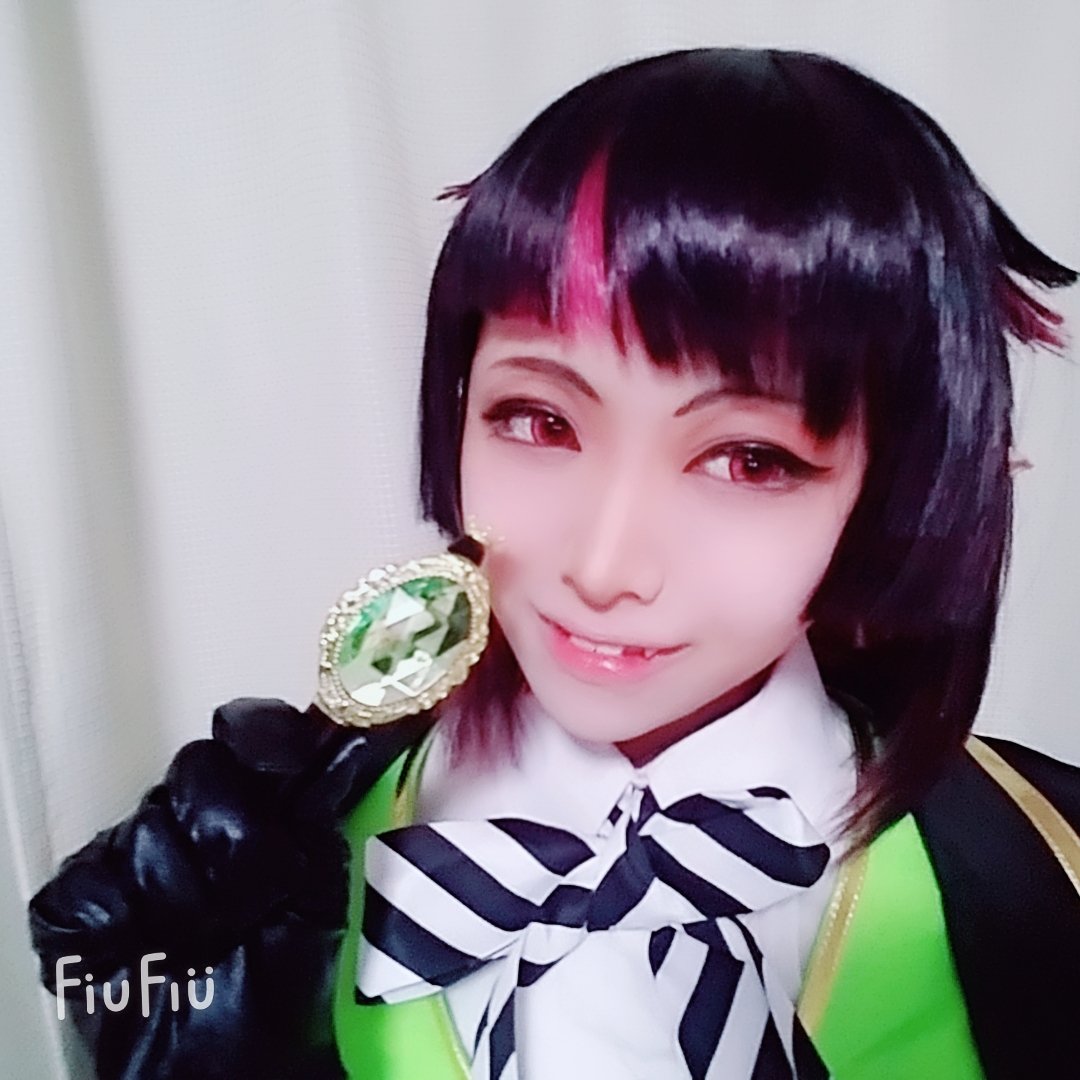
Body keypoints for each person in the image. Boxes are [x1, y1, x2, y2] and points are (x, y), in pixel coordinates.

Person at [28, 47, 1080, 1080]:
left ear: (899, 487)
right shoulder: (276, 861)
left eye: (749, 459)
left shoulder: (1048, 866)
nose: (605, 566)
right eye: (539, 419)